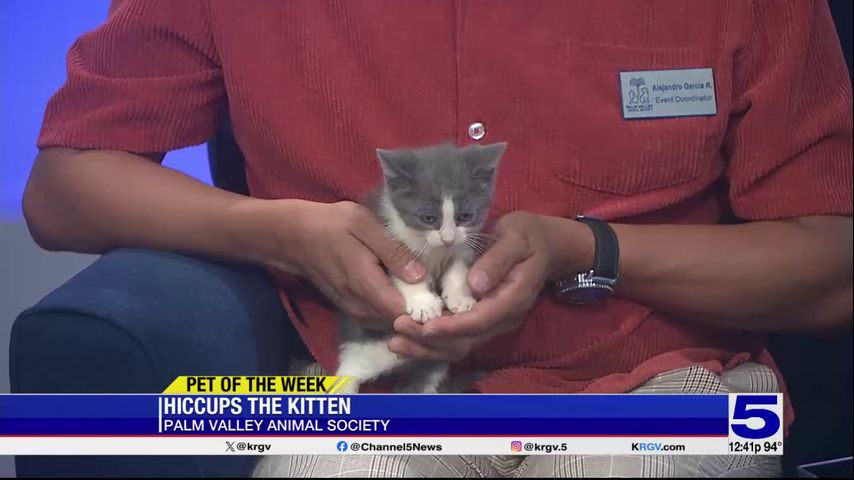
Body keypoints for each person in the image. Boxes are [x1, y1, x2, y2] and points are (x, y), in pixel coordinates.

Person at [23, 0, 852, 477]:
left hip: (663, 380)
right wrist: (281, 232)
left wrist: (584, 250)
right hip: (372, 394)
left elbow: (831, 268)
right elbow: (64, 190)